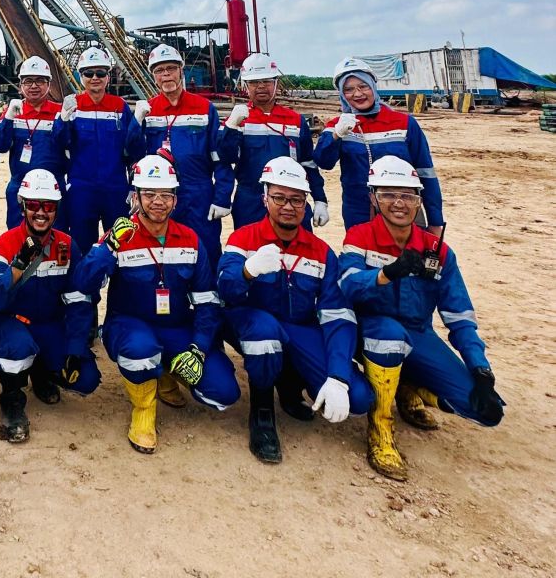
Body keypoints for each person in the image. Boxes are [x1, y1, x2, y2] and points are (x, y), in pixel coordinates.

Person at [339, 157, 504, 482]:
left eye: (407, 195)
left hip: (417, 334)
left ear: (418, 200)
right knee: (389, 337)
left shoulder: (437, 251)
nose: (398, 203)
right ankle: (381, 428)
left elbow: (459, 315)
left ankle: (408, 386)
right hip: (370, 331)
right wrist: (386, 274)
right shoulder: (359, 237)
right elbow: (347, 284)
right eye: (388, 194)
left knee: (485, 410)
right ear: (373, 198)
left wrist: (480, 369)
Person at [72, 154, 238, 454]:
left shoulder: (190, 239)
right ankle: (144, 409)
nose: (158, 202)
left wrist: (199, 349)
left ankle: (166, 373)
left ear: (175, 200)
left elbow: (207, 301)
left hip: (176, 327)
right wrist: (108, 248)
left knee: (223, 393)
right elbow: (83, 282)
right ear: (135, 197)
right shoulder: (120, 236)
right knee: (140, 353)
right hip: (129, 325)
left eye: (166, 195)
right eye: (149, 194)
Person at [219, 157, 373, 464]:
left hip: (298, 328)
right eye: (279, 198)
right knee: (265, 335)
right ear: (265, 198)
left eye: (297, 199)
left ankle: (290, 386)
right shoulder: (243, 239)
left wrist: (338, 376)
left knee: (358, 398)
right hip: (252, 324)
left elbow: (338, 315)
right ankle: (262, 413)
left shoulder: (321, 252)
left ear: (306, 204)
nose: (288, 206)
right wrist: (247, 271)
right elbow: (225, 288)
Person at [0, 168, 99, 443]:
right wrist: (18, 265)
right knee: (16, 349)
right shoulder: (4, 245)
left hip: (49, 325)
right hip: (12, 324)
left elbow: (79, 300)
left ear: (57, 209)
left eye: (48, 206)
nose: (41, 212)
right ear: (23, 206)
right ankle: (12, 400)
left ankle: (41, 372)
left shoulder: (67, 245)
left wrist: (75, 347)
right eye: (34, 204)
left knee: (86, 378)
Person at [315, 57, 444, 234]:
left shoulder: (404, 123)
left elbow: (426, 173)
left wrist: (435, 221)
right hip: (358, 210)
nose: (357, 94)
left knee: (408, 252)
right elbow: (323, 162)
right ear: (342, 95)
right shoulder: (337, 125)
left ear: (373, 86)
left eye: (363, 86)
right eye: (349, 89)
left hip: (402, 208)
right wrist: (336, 135)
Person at [134, 43, 232, 265]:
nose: (166, 74)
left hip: (199, 194)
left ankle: (209, 288)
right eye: (159, 70)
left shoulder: (204, 108)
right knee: (164, 253)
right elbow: (135, 156)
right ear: (153, 76)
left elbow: (220, 157)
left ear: (181, 70)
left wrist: (222, 197)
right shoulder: (149, 110)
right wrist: (136, 123)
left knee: (206, 250)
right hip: (160, 196)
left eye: (171, 68)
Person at [217, 53, 328, 230]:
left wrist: (320, 199)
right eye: (254, 82)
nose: (261, 86)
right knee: (250, 246)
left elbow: (308, 163)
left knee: (297, 246)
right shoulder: (238, 120)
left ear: (276, 83)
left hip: (291, 199)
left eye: (266, 81)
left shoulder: (295, 121)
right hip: (250, 201)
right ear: (245, 85)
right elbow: (225, 157)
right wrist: (231, 127)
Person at [55, 46, 145, 256]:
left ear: (107, 77)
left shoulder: (119, 107)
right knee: (81, 245)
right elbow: (59, 144)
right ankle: (85, 279)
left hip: (115, 189)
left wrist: (133, 186)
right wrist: (63, 119)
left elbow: (134, 151)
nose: (95, 78)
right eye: (89, 73)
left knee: (121, 246)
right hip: (81, 189)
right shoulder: (73, 106)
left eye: (100, 73)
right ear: (81, 76)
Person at [0, 56, 67, 230]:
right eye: (28, 81)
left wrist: (65, 121)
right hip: (20, 186)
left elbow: (69, 145)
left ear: (49, 84)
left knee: (56, 236)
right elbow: (0, 146)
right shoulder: (13, 112)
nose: (34, 86)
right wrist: (8, 119)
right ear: (20, 85)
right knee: (17, 235)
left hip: (53, 186)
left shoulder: (59, 112)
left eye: (40, 81)